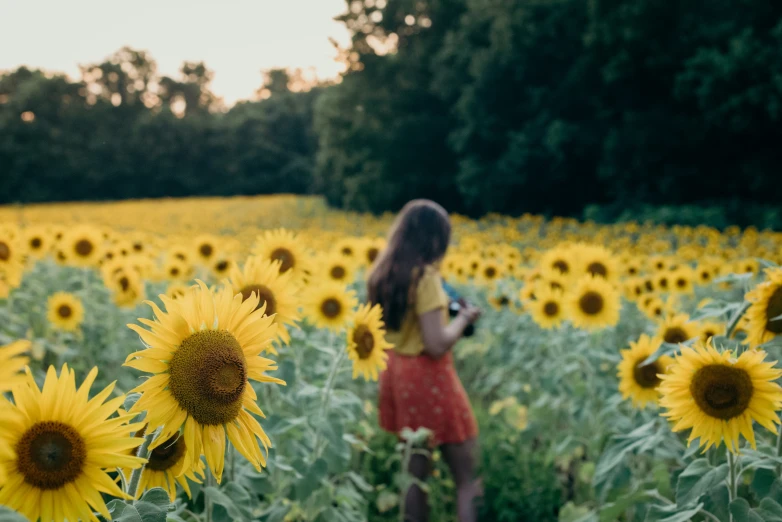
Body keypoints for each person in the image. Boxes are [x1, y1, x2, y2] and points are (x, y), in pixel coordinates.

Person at [369, 199, 483, 522]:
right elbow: (436, 344)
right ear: (434, 240)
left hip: (396, 373)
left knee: (414, 477)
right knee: (467, 476)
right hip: (428, 375)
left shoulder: (382, 274)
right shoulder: (427, 279)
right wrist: (464, 320)